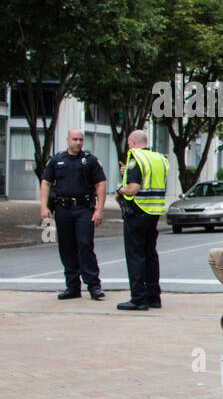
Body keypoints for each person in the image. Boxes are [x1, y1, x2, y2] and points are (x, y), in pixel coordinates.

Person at [39, 129, 107, 301]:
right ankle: (72, 286)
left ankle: (94, 286)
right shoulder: (57, 160)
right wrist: (43, 207)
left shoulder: (90, 160)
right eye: (75, 139)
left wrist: (99, 210)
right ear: (68, 139)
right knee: (66, 248)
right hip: (62, 209)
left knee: (85, 245)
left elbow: (100, 185)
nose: (78, 142)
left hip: (84, 209)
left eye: (81, 140)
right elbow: (46, 183)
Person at [116, 129, 171, 311]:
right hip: (154, 212)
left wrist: (120, 190)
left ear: (131, 142)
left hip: (137, 211)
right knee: (150, 255)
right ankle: (154, 297)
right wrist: (127, 172)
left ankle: (139, 299)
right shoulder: (160, 159)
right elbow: (148, 177)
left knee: (135, 255)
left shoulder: (134, 157)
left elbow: (133, 187)